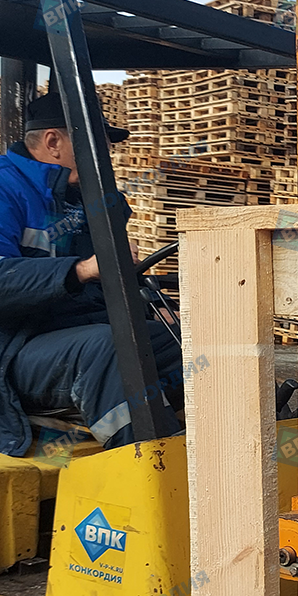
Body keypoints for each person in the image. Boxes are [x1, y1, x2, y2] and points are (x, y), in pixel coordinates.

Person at [0, 92, 184, 457]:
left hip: (72, 334)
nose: (105, 157)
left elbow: (108, 281)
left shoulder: (86, 200)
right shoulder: (7, 188)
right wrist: (82, 269)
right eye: (95, 146)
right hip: (15, 349)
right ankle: (152, 466)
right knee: (110, 348)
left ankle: (233, 451)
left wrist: (154, 308)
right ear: (53, 142)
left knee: (186, 338)